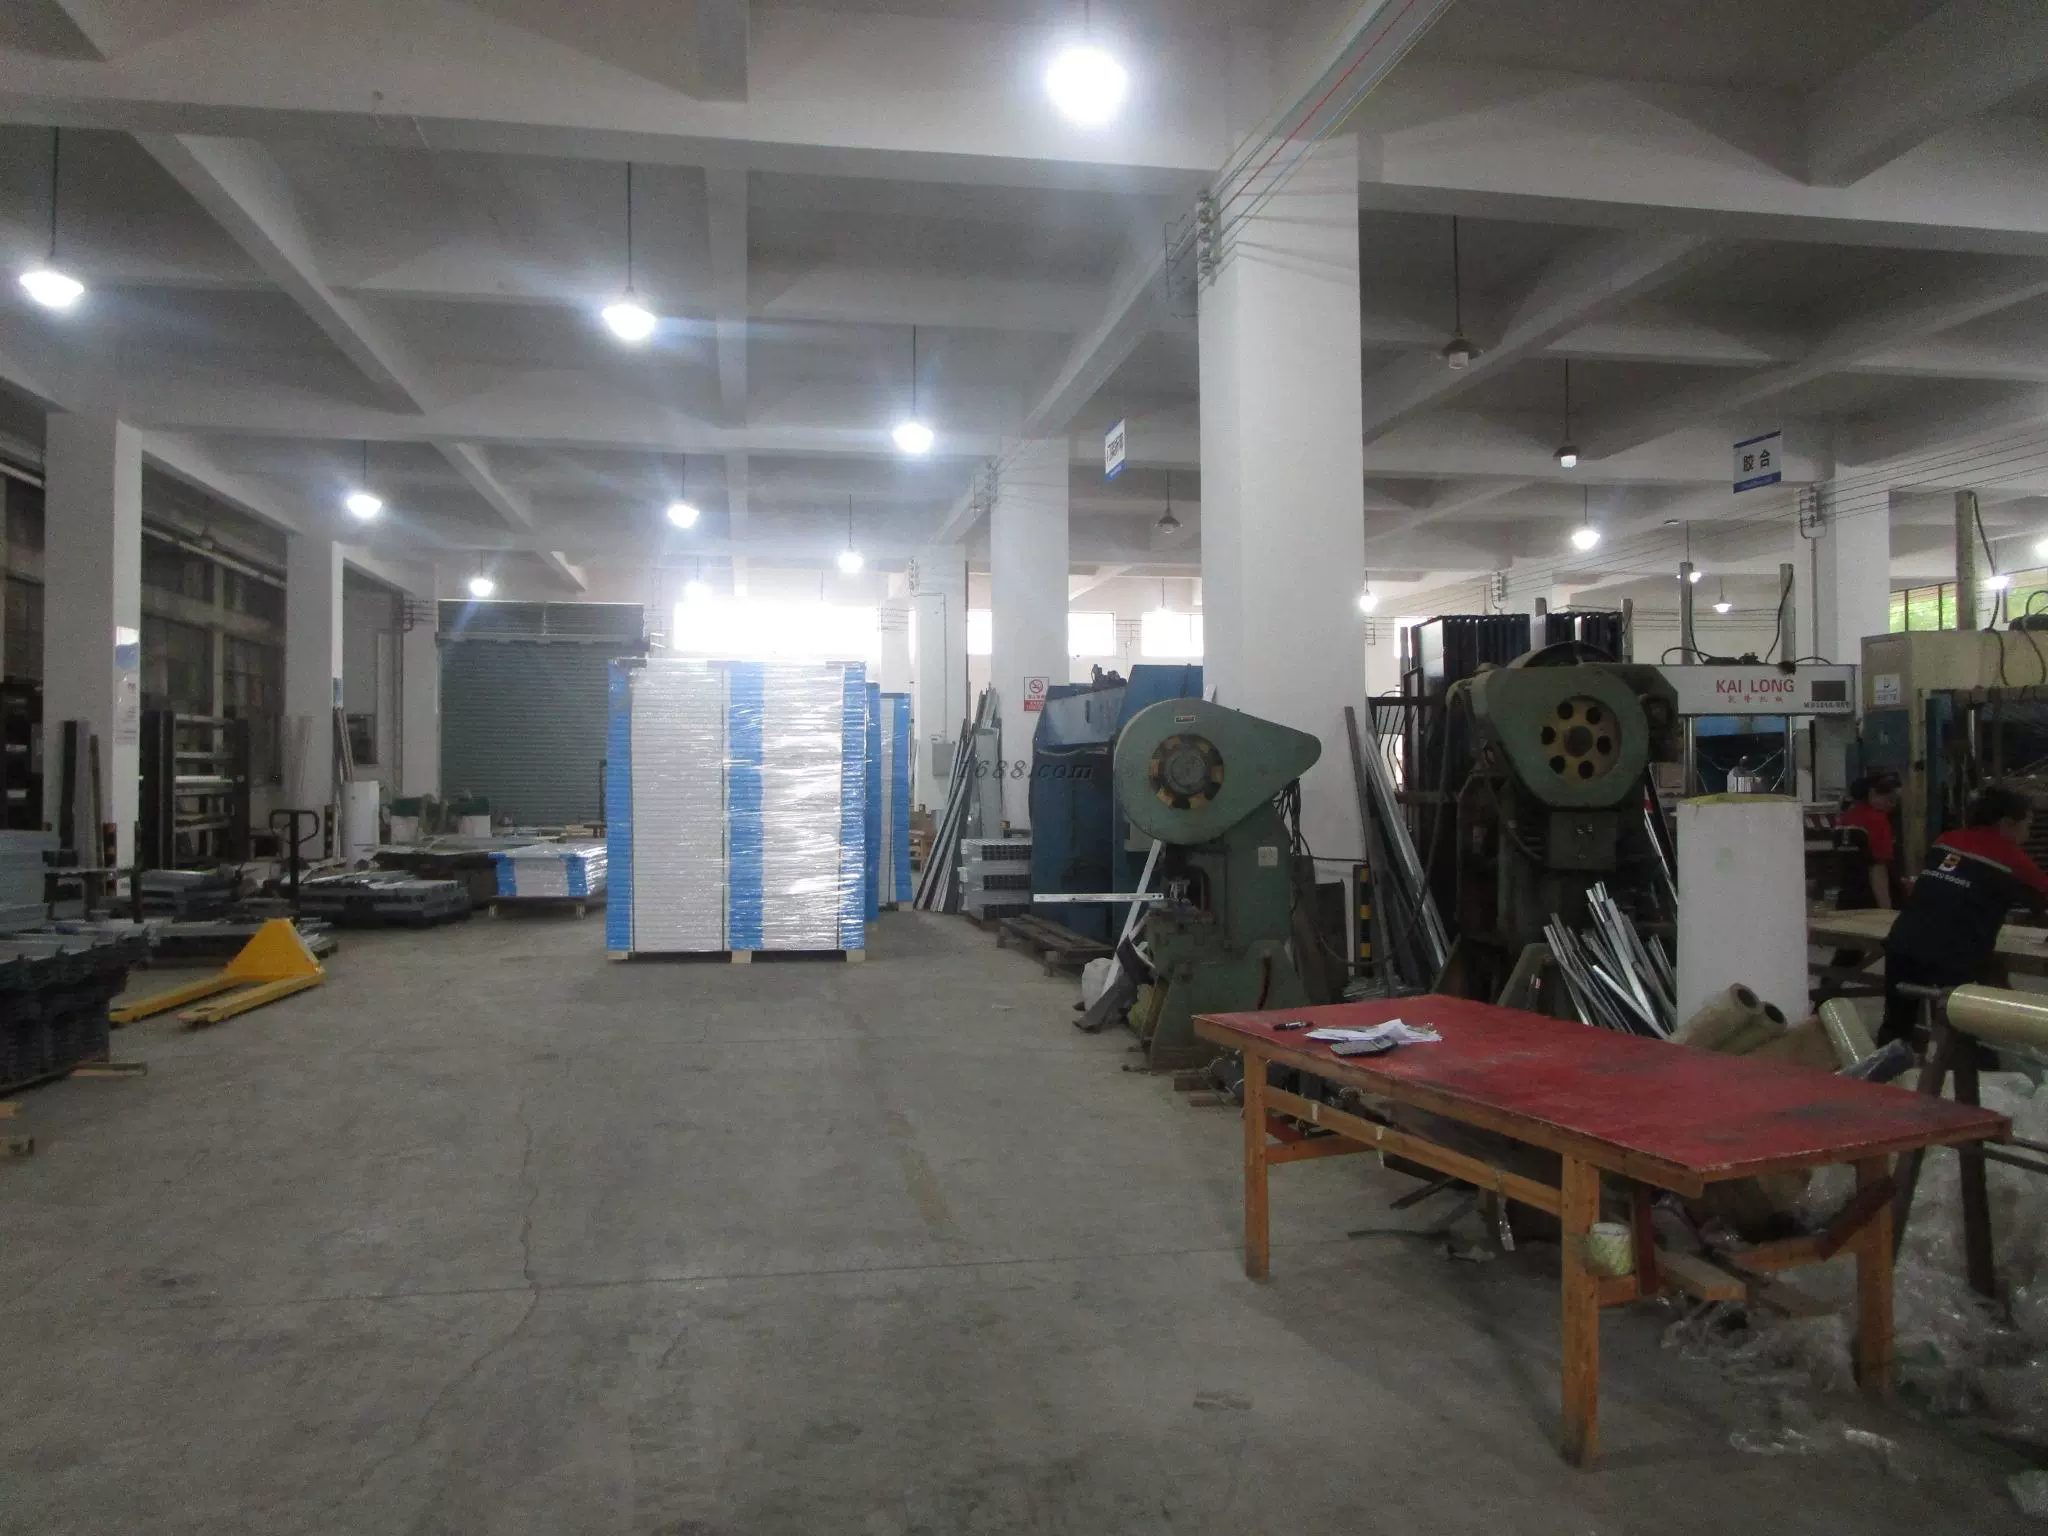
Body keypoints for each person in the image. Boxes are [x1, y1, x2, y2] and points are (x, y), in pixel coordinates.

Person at [1882, 787, 2048, 1046]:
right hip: (1954, 955)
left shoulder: (1945, 840)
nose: (2028, 834)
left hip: (1902, 943)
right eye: (2027, 825)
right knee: (1963, 1033)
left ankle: (1886, 1067)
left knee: (1895, 1027)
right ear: (2006, 824)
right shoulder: (2012, 859)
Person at [1836, 773, 1902, 912]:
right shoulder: (1878, 821)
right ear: (1872, 794)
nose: (1893, 806)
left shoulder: (1845, 818)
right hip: (1871, 900)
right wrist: (1886, 911)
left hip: (1846, 899)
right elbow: (1878, 870)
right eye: (1890, 800)